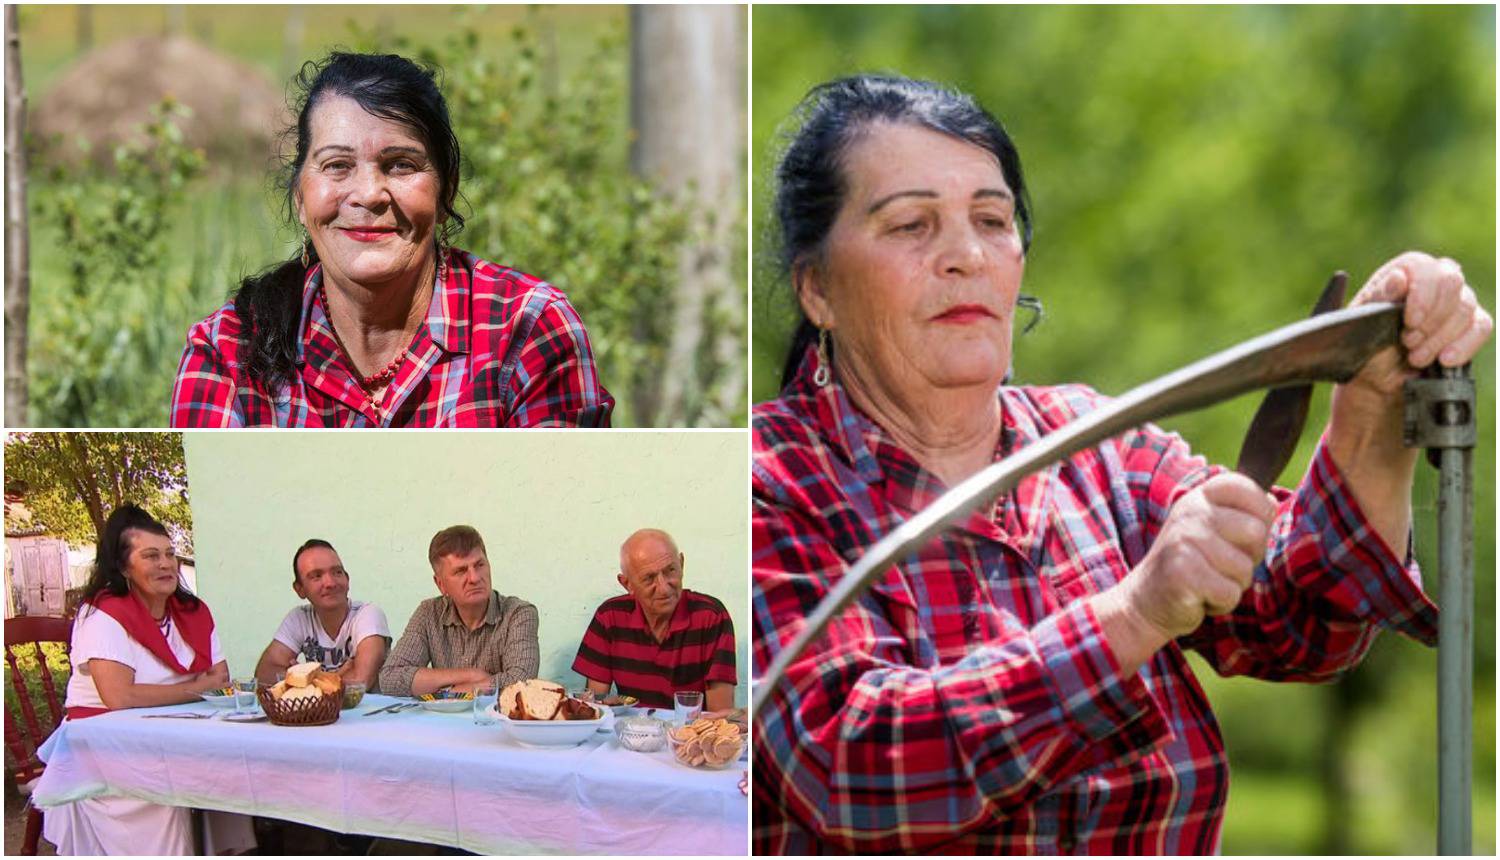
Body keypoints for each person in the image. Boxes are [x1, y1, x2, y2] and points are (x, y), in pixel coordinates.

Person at [750, 74, 1493, 854]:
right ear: (817, 288)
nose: (966, 255)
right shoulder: (766, 479)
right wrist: (1134, 616)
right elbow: (854, 773)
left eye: (993, 220)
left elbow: (1298, 624)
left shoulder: (1097, 444)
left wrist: (1374, 405)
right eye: (910, 225)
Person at [170, 51, 613, 427]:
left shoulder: (529, 329)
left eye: (401, 165)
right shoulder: (229, 352)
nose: (367, 195)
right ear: (301, 198)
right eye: (336, 165)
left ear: (447, 191)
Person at [44, 504, 257, 856]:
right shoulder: (102, 614)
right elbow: (118, 697)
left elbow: (222, 677)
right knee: (171, 791)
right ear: (124, 566)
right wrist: (197, 689)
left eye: (170, 555)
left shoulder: (192, 612)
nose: (166, 564)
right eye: (151, 556)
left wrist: (189, 690)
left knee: (231, 778)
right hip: (108, 748)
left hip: (176, 735)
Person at [572, 528, 738, 711]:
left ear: (681, 564)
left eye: (670, 570)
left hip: (689, 736)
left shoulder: (711, 617)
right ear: (627, 584)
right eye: (649, 578)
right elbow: (595, 707)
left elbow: (720, 717)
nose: (664, 588)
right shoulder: (609, 617)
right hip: (633, 733)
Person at [379, 525, 539, 696]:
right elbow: (390, 679)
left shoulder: (518, 613)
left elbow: (521, 680)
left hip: (494, 722)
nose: (475, 578)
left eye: (479, 565)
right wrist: (472, 675)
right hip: (443, 722)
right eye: (461, 571)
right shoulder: (428, 613)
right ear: (440, 584)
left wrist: (447, 692)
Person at [254, 539, 391, 690]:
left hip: (369, 712)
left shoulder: (368, 614)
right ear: (299, 589)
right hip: (320, 713)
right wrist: (326, 678)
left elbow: (360, 682)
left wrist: (300, 678)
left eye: (337, 572)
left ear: (347, 579)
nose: (330, 583)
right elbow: (263, 675)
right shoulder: (299, 618)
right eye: (316, 576)